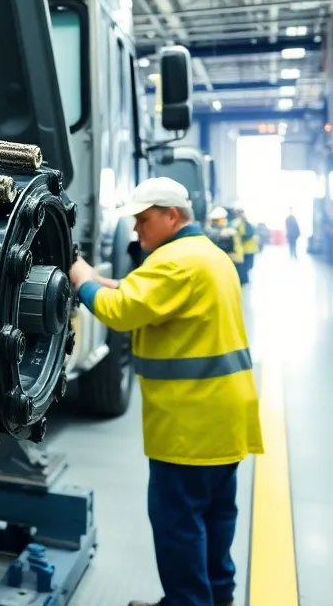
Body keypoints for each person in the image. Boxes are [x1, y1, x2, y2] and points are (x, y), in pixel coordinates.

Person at [69, 177, 262, 606]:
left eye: (143, 219)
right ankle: (218, 597)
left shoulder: (173, 261)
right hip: (224, 419)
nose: (137, 230)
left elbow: (119, 313)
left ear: (171, 215)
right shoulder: (206, 255)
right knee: (216, 516)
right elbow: (145, 295)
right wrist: (107, 279)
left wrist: (78, 272)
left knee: (177, 522)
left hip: (190, 426)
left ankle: (187, 603)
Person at [205, 207, 244, 278]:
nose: (225, 221)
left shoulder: (226, 231)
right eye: (223, 219)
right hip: (221, 262)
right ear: (218, 220)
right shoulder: (216, 232)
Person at [232, 207, 257, 283]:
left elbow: (249, 234)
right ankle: (244, 280)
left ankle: (244, 280)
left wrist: (240, 237)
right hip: (242, 249)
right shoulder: (237, 223)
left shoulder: (247, 224)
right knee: (244, 267)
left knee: (247, 266)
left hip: (248, 249)